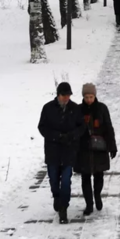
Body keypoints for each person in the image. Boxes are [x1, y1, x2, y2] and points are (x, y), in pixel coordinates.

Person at [38, 82, 86, 224]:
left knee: (66, 180)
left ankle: (63, 207)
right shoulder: (48, 108)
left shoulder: (75, 109)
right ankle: (56, 197)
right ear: (58, 95)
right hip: (53, 151)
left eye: (68, 96)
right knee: (53, 180)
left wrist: (71, 136)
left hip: (69, 150)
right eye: (64, 95)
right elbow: (42, 127)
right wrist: (56, 136)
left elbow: (82, 127)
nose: (66, 98)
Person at [76, 83, 117, 215]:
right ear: (83, 96)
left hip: (99, 148)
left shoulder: (102, 108)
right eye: (87, 97)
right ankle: (89, 204)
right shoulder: (78, 110)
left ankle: (97, 196)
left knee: (99, 175)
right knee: (85, 177)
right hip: (83, 149)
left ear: (95, 96)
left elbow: (108, 128)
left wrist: (112, 146)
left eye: (91, 96)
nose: (89, 99)